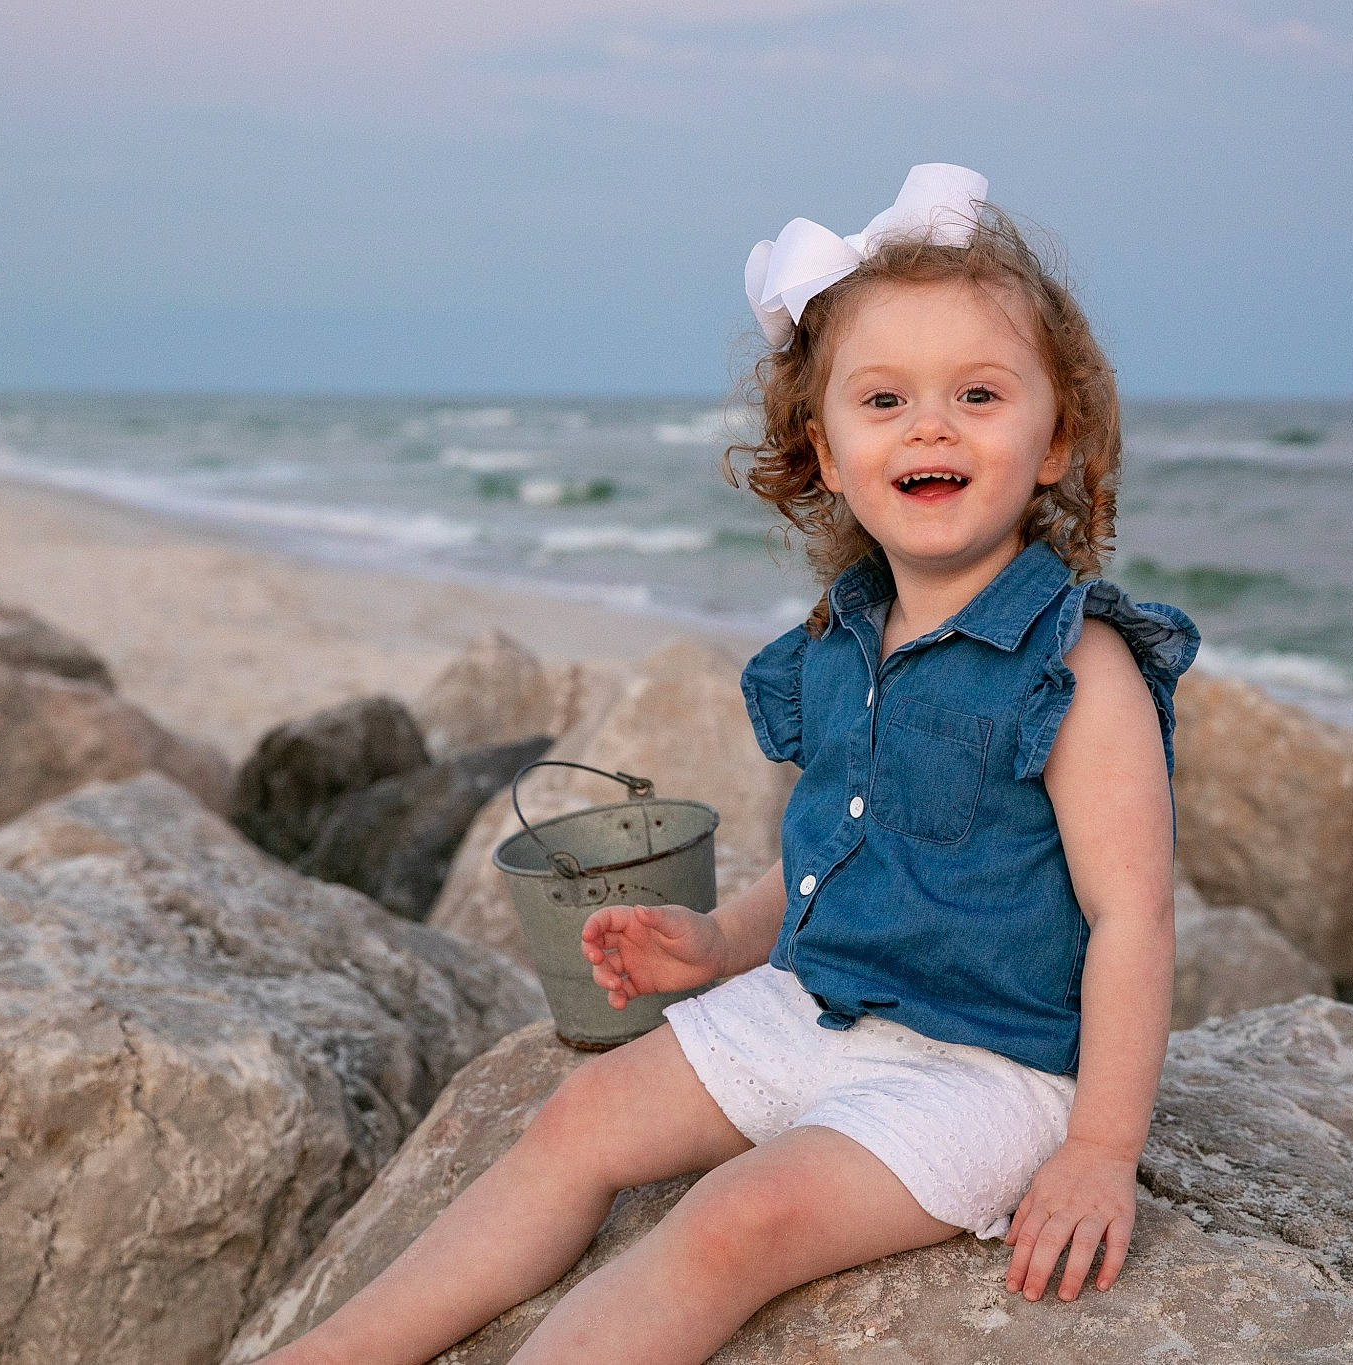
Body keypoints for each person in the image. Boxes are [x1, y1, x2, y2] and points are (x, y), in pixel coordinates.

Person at [254, 162, 1200, 1365]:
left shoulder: (1076, 667)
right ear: (826, 452)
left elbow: (1131, 916)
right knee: (579, 1118)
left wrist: (1100, 1150)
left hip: (984, 1070)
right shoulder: (843, 637)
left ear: (1055, 438)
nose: (931, 425)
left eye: (978, 393)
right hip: (809, 1008)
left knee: (730, 1223)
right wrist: (715, 945)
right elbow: (843, 849)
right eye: (883, 399)